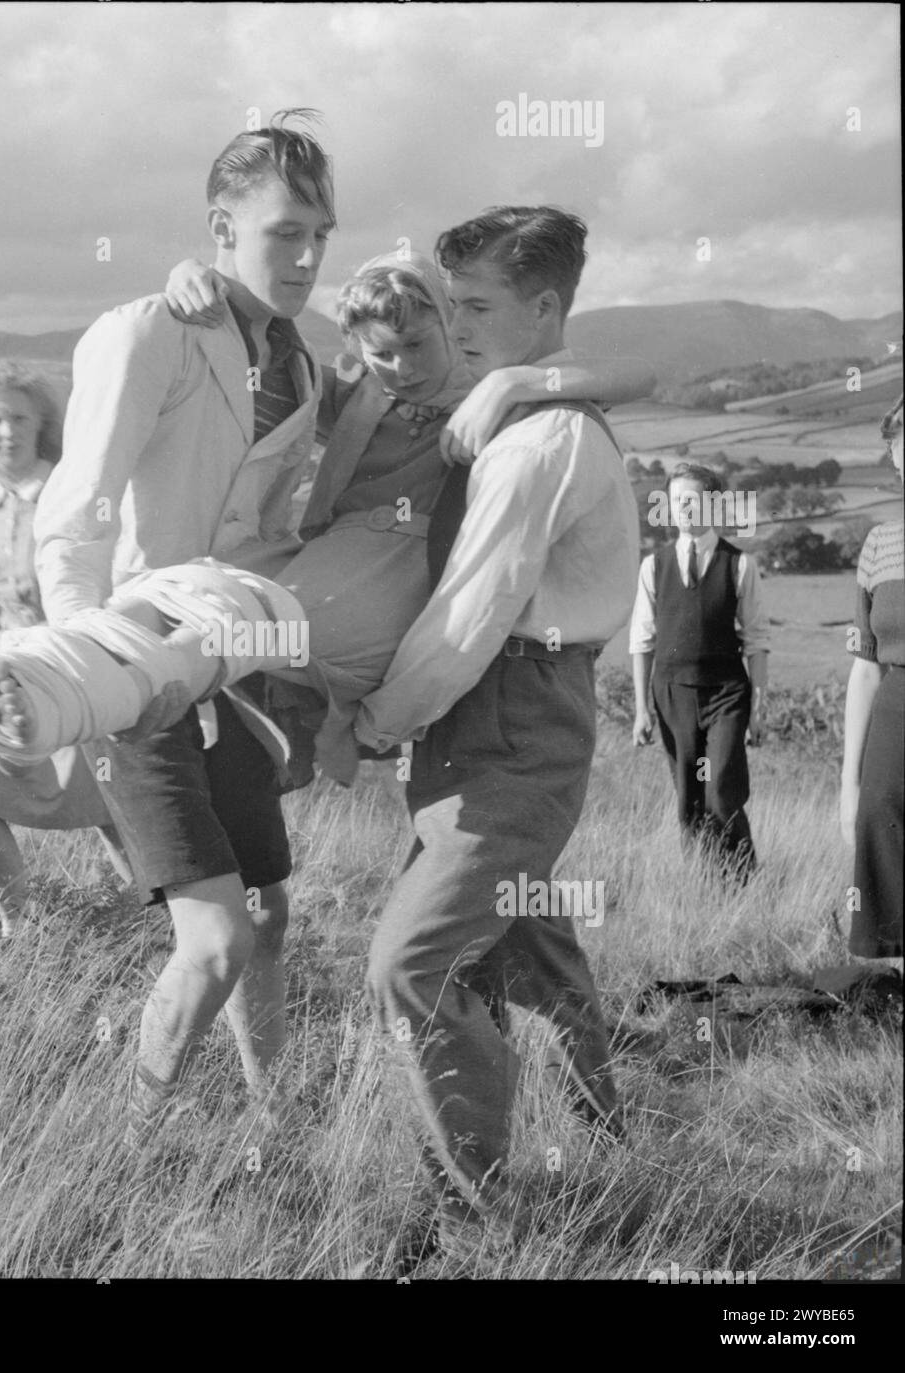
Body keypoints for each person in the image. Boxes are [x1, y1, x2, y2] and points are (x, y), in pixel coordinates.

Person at [32, 109, 332, 1147]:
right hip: (136, 662)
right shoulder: (147, 330)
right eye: (282, 232)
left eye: (318, 236)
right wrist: (84, 662)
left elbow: (282, 526)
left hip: (236, 676)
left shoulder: (307, 368)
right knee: (211, 941)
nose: (303, 256)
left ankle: (274, 1124)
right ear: (220, 226)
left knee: (269, 917)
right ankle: (119, 1141)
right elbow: (75, 511)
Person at [351, 207, 640, 1259]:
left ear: (544, 307)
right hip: (488, 722)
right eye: (452, 300)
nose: (457, 323)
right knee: (525, 953)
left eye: (477, 307)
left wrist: (374, 721)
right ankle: (607, 1153)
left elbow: (469, 617)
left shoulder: (541, 445)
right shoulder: (525, 412)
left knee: (412, 966)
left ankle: (481, 1215)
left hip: (513, 718)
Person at [163, 251, 655, 775]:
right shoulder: (361, 397)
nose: (405, 367)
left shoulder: (488, 390)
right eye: (383, 353)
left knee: (241, 643)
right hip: (326, 562)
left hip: (404, 578)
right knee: (192, 605)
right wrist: (192, 273)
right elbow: (261, 351)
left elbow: (640, 373)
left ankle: (140, 696)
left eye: (418, 344)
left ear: (448, 324)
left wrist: (515, 384)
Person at [0, 360, 129, 937]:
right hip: (7, 676)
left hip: (80, 668)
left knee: (116, 809)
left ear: (41, 423)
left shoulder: (69, 491)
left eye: (20, 417)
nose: (7, 431)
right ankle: (18, 927)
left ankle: (153, 919)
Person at [630, 463, 769, 883]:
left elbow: (757, 642)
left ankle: (743, 884)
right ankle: (704, 887)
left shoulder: (740, 565)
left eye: (689, 500)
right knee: (689, 799)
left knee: (721, 792)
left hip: (727, 694)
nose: (681, 509)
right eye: (674, 502)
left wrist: (758, 710)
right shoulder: (653, 567)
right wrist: (641, 710)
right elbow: (641, 641)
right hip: (672, 695)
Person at [840, 395, 903, 964]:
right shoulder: (880, 544)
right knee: (884, 830)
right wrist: (848, 784)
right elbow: (864, 668)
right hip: (895, 711)